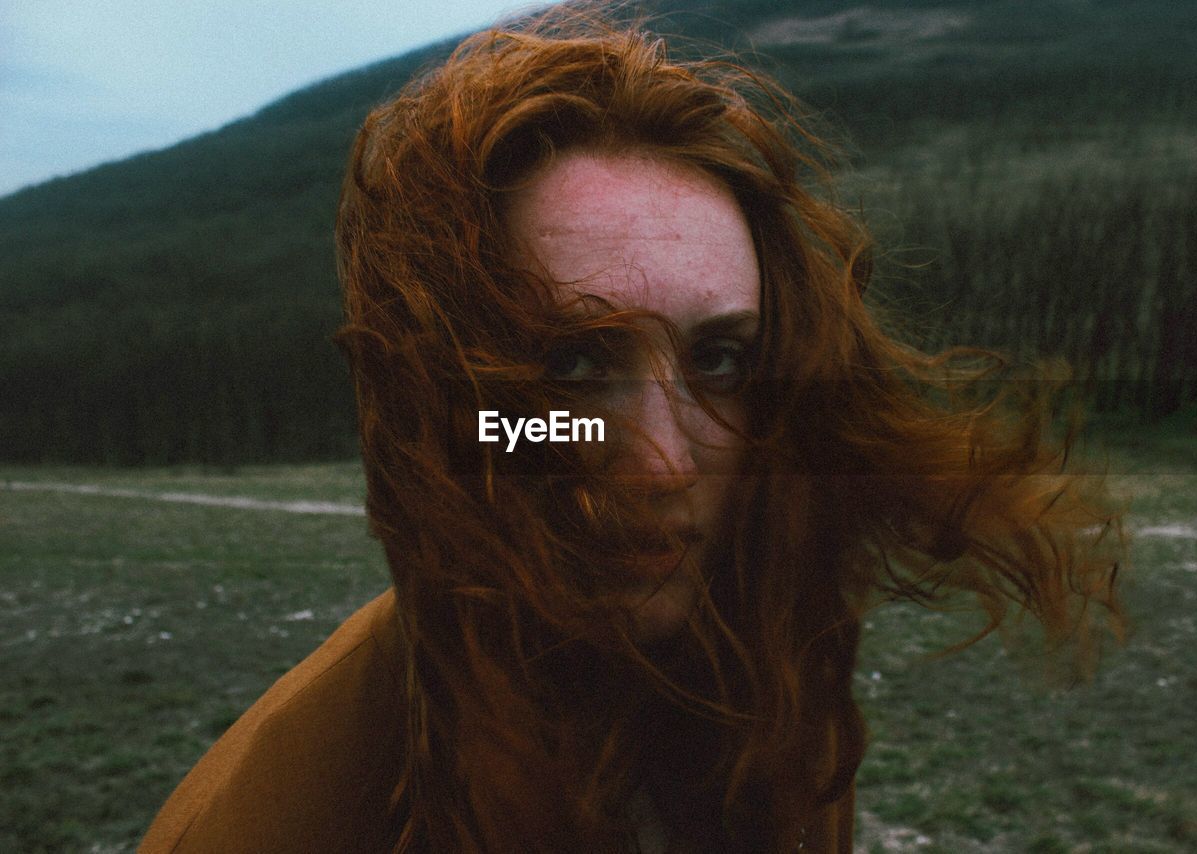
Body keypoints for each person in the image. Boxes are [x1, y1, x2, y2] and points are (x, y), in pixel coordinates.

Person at [141, 6, 1125, 852]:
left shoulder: (770, 692)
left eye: (721, 359)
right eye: (574, 365)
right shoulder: (290, 816)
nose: (659, 460)